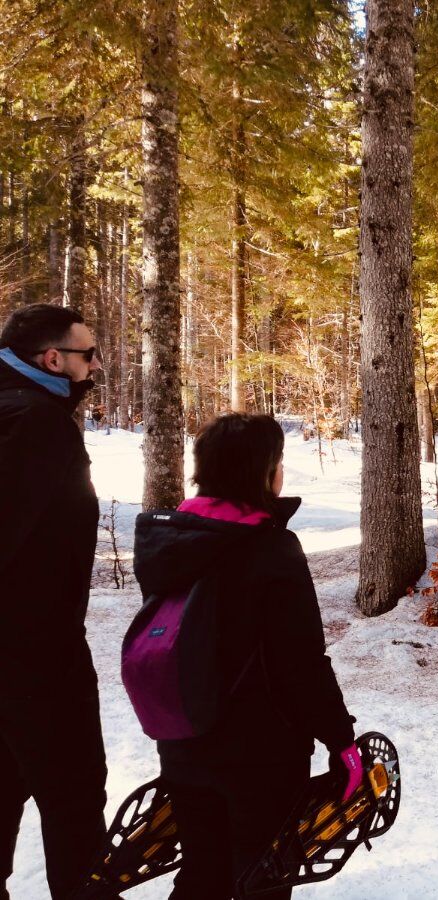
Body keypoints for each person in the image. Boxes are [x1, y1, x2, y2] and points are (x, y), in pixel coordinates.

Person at [132, 413, 360, 899]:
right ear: (261, 473)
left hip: (182, 740)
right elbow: (303, 663)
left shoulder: (172, 537)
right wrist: (342, 741)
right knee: (263, 879)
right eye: (278, 463)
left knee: (200, 874)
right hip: (262, 755)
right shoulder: (271, 549)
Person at [0, 304, 106, 898]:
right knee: (74, 795)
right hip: (36, 652)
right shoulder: (38, 426)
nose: (94, 367)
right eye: (87, 355)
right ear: (52, 360)